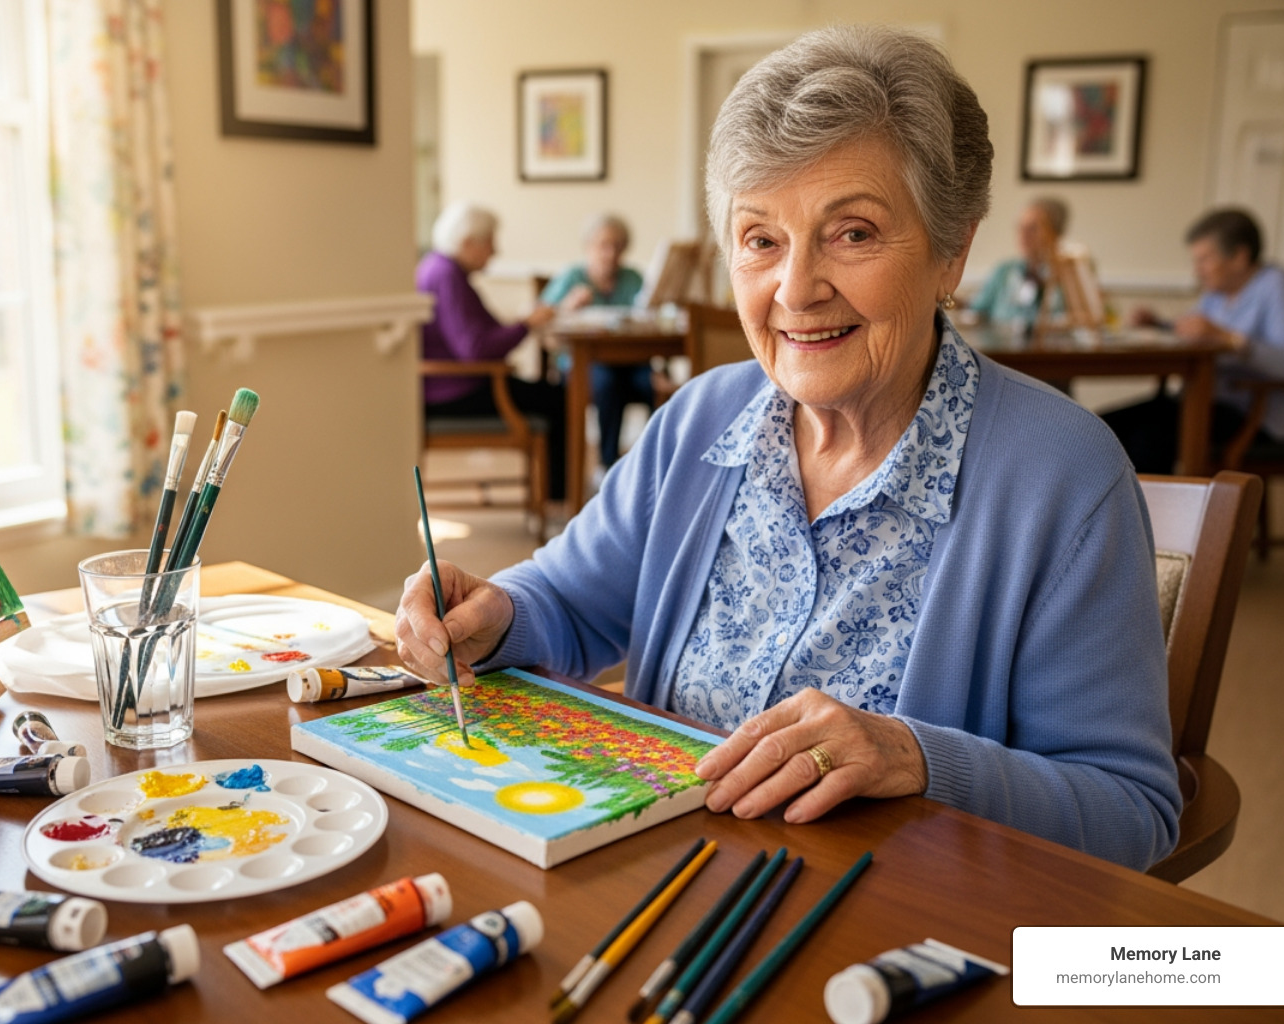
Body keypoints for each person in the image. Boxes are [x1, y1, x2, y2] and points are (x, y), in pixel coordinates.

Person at [395, 26, 1180, 871]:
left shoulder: (1064, 476)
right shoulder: (699, 422)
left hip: (887, 928)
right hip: (652, 876)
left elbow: (1130, 812)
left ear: (953, 251)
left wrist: (917, 759)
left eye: (852, 233)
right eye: (761, 239)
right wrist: (493, 613)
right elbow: (570, 597)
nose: (796, 290)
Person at [1104, 208, 1284, 474]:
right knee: (1105, 428)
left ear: (1239, 256)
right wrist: (1158, 323)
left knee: (1148, 438)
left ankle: (1147, 515)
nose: (1197, 271)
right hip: (1204, 401)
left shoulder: (1278, 285)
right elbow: (1193, 327)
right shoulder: (1219, 293)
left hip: (1252, 415)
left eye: (1204, 260)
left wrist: (1229, 340)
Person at [418, 201, 566, 500]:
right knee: (559, 398)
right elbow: (476, 350)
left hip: (452, 385)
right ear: (467, 242)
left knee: (551, 393)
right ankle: (559, 497)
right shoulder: (447, 276)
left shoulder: (441, 269)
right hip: (455, 391)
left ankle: (557, 493)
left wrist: (522, 323)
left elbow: (479, 334)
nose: (494, 251)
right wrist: (525, 325)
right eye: (489, 242)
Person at [540, 214, 656, 469]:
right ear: (588, 246)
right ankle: (608, 465)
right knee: (606, 385)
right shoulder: (572, 277)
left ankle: (653, 465)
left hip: (631, 362)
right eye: (603, 245)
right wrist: (567, 307)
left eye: (617, 245)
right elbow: (543, 325)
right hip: (584, 364)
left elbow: (650, 317)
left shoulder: (633, 278)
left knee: (654, 384)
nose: (610, 252)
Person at [965, 197, 1069, 328]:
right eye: (1020, 227)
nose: (1023, 234)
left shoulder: (1067, 276)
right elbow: (978, 308)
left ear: (1056, 233)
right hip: (1000, 346)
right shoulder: (1003, 271)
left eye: (1033, 228)